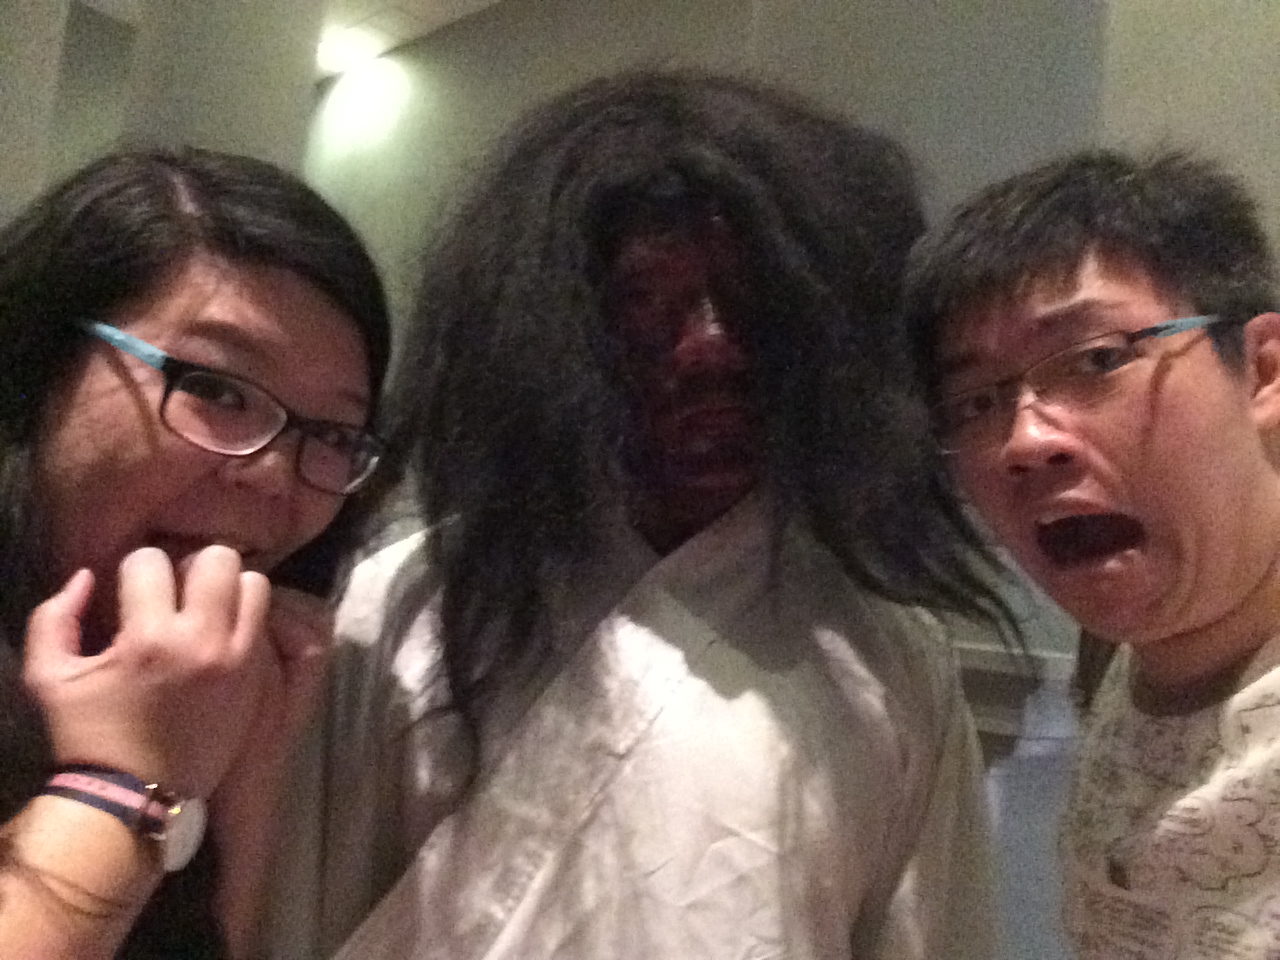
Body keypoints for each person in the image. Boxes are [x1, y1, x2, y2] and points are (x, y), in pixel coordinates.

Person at [267, 70, 1008, 960]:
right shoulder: (404, 606)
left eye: (753, 305)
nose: (710, 349)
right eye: (645, 302)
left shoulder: (887, 656)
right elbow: (292, 920)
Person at [0, 146, 391, 959]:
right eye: (216, 389)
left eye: (330, 435)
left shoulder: (228, 694)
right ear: (38, 368)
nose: (274, 473)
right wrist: (121, 781)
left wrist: (245, 780)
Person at [904, 150, 1280, 958]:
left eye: (1099, 359)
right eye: (975, 402)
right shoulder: (1119, 654)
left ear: (1263, 371)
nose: (1024, 440)